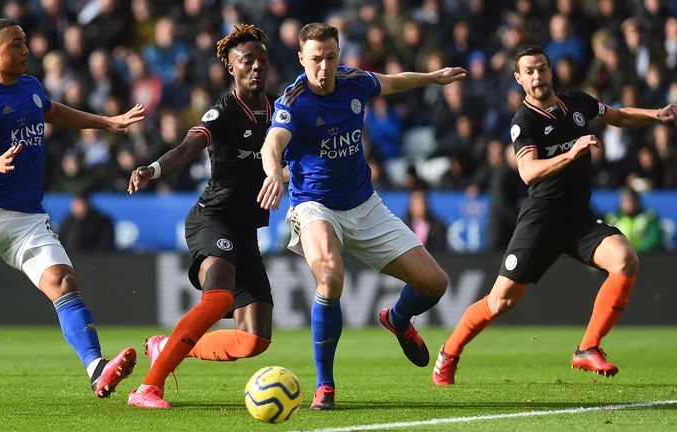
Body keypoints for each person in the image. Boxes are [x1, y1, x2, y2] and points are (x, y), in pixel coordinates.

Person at [0, 19, 145, 398]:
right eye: (16, 44)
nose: (26, 51)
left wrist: (106, 122)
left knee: (64, 281)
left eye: (25, 43)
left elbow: (51, 112)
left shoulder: (31, 88)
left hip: (28, 219)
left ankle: (96, 368)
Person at [433, 45, 677, 386]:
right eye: (529, 71)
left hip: (577, 217)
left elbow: (617, 116)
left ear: (551, 71)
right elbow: (528, 172)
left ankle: (588, 347)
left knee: (625, 259)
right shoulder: (525, 121)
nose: (537, 76)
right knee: (501, 301)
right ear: (519, 79)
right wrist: (573, 152)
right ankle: (450, 352)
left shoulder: (576, 102)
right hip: (542, 219)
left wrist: (656, 114)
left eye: (542, 69)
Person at [256, 22, 466, 410]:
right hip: (314, 204)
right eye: (316, 59)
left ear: (340, 55)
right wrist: (273, 173)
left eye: (331, 58)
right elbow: (274, 143)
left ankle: (399, 319)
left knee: (435, 284)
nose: (324, 68)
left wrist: (432, 78)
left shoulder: (354, 82)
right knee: (331, 275)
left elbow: (392, 82)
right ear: (302, 59)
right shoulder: (294, 100)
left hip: (365, 204)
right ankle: (326, 386)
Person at [126, 24, 278, 409]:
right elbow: (187, 148)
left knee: (254, 339)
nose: (257, 67)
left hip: (246, 230)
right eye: (247, 61)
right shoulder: (225, 112)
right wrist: (153, 169)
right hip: (213, 219)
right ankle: (147, 388)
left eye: (262, 59)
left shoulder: (280, 111)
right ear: (231, 67)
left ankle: (166, 347)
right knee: (218, 295)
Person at [605, 187, 664, 252]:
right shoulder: (612, 218)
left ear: (637, 201)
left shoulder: (649, 216)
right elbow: (605, 239)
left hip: (645, 255)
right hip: (619, 254)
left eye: (630, 201)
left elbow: (654, 238)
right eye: (624, 201)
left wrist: (636, 250)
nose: (627, 204)